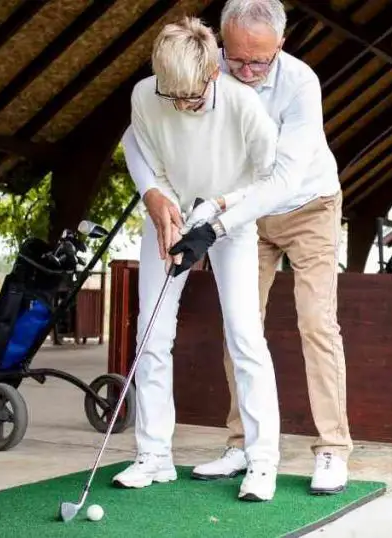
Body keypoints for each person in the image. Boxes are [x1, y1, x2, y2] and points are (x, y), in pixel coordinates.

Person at [121, 0, 353, 496]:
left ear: (280, 47)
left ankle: (331, 447)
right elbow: (142, 140)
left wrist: (218, 220)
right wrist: (159, 195)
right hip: (225, 207)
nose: (245, 71)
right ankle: (238, 444)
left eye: (258, 62)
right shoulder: (192, 72)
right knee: (240, 328)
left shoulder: (298, 83)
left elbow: (283, 176)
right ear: (219, 47)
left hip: (304, 203)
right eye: (235, 59)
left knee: (314, 321)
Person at [111, 15, 283, 503]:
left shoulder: (244, 106)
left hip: (232, 222)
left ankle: (262, 459)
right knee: (152, 331)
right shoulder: (148, 95)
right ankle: (154, 456)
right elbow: (141, 150)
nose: (181, 106)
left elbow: (268, 181)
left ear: (213, 73)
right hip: (171, 218)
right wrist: (157, 200)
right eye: (172, 96)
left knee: (245, 334)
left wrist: (217, 217)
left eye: (192, 97)